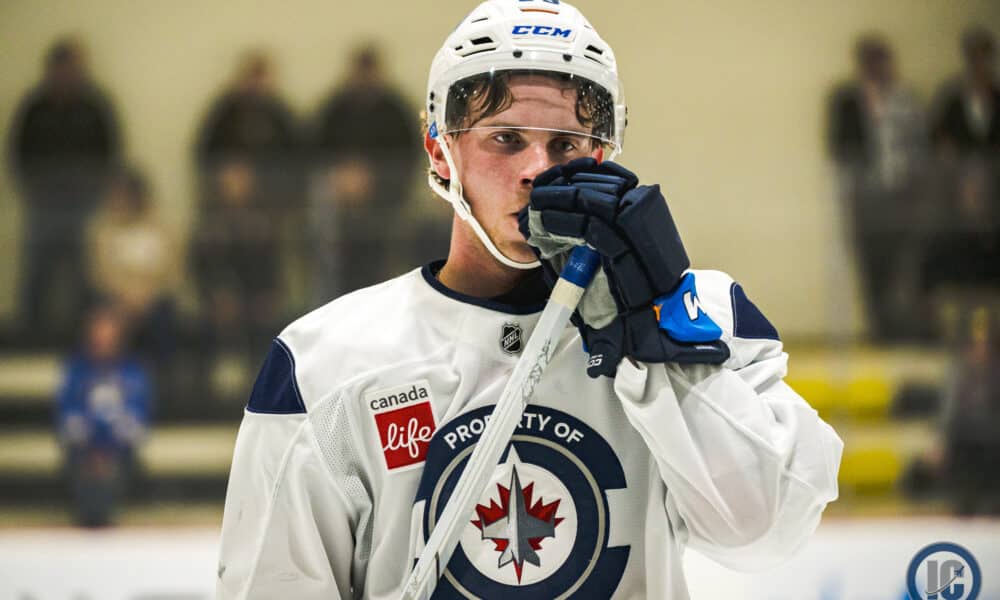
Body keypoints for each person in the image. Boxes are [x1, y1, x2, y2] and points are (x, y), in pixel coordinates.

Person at [217, 2, 843, 598]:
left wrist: (655, 336)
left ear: (600, 157)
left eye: (565, 145)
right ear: (440, 152)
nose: (537, 170)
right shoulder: (323, 361)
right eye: (506, 138)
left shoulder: (701, 317)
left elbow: (764, 532)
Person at [7, 37, 122, 342]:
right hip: (43, 203)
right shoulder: (35, 107)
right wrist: (33, 188)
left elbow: (110, 151)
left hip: (84, 202)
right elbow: (18, 152)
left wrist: (97, 189)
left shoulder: (95, 106)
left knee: (85, 271)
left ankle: (84, 336)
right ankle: (30, 334)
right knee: (38, 268)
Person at [826, 34, 929, 341]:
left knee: (903, 265)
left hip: (902, 196)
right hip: (865, 197)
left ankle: (904, 326)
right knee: (871, 265)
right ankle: (879, 330)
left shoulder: (904, 99)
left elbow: (919, 144)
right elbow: (839, 143)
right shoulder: (847, 100)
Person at [308, 43, 426, 300]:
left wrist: (375, 182)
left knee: (381, 270)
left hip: (384, 210)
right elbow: (315, 152)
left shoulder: (394, 110)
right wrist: (341, 178)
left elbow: (409, 156)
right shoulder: (336, 108)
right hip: (339, 212)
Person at [55, 305, 152, 527]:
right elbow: (67, 414)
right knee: (83, 467)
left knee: (112, 470)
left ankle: (108, 513)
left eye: (109, 334)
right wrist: (91, 445)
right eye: (98, 333)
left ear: (119, 337)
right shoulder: (75, 370)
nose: (103, 340)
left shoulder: (132, 372)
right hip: (83, 452)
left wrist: (109, 445)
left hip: (119, 452)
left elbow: (137, 419)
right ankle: (86, 515)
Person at [86, 166, 181, 371]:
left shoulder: (162, 230)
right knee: (104, 320)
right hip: (115, 299)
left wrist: (145, 296)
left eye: (125, 197)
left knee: (163, 320)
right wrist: (125, 297)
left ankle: (163, 376)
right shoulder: (102, 231)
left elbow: (173, 273)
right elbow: (99, 273)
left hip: (153, 301)